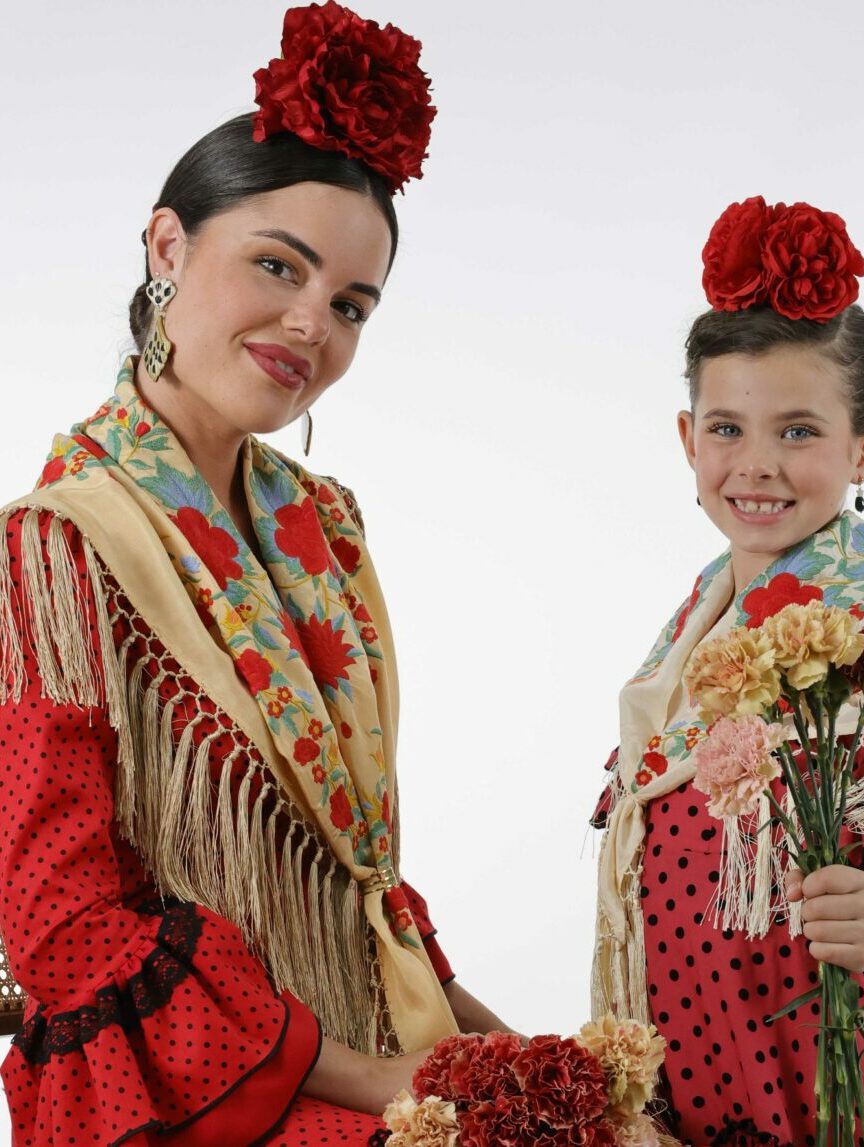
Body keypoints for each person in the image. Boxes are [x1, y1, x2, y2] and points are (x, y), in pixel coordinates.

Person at [0, 4, 511, 1144]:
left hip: (362, 1040)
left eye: (350, 305)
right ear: (169, 248)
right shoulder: (58, 543)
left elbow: (358, 887)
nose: (308, 325)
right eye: (276, 265)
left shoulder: (325, 527)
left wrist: (509, 1056)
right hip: (194, 1088)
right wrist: (390, 1087)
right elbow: (64, 926)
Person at [591, 197, 864, 1146]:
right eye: (727, 429)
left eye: (800, 431)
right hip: (694, 1054)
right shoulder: (698, 622)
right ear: (688, 440)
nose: (758, 465)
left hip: (813, 1067)